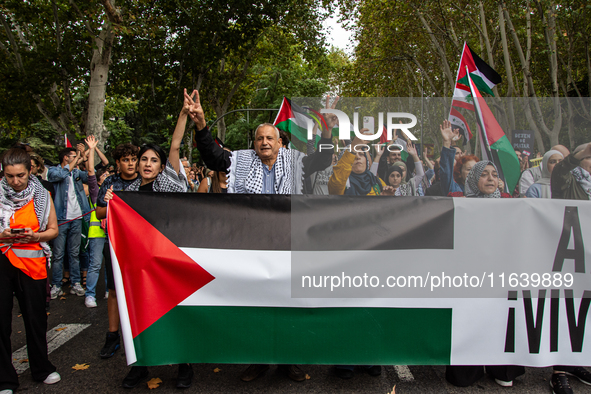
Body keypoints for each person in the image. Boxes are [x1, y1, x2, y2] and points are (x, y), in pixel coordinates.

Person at [102, 89, 192, 389]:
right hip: (139, 267)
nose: (148, 164)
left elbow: (175, 146)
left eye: (154, 160)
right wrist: (112, 206)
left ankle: (184, 365)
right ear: (137, 164)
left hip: (169, 262)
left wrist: (182, 114)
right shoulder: (126, 195)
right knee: (140, 316)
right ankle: (140, 365)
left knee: (176, 313)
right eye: (143, 159)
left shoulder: (170, 183)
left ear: (162, 165)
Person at [190, 89, 334, 195]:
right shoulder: (240, 161)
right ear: (255, 144)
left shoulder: (295, 163)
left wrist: (327, 131)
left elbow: (323, 160)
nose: (264, 142)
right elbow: (212, 156)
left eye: (269, 138)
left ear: (279, 143)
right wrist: (201, 124)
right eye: (260, 138)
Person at [0, 148, 61, 393]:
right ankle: (5, 379)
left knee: (36, 320)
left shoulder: (43, 195)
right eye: (9, 176)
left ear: (31, 171)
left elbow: (53, 230)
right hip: (3, 263)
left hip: (32, 265)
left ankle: (42, 368)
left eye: (20, 176)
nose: (15, 181)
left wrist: (36, 235)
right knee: (1, 323)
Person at [548, 142, 591, 394]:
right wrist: (576, 156)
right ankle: (559, 371)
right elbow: (560, 171)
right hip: (572, 259)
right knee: (567, 312)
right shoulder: (568, 183)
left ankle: (576, 362)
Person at [95, 143, 140, 360]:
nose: (131, 164)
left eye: (133, 159)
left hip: (140, 244)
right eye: (126, 160)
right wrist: (109, 203)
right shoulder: (111, 182)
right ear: (118, 163)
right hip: (114, 242)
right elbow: (98, 213)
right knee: (113, 290)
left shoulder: (145, 180)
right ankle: (113, 337)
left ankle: (141, 335)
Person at [47, 147, 90, 299]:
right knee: (58, 254)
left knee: (74, 253)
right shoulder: (53, 170)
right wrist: (77, 158)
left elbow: (90, 176)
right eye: (73, 156)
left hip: (77, 218)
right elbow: (60, 175)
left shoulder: (77, 172)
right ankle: (57, 285)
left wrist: (86, 155)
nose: (76, 158)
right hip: (60, 218)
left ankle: (76, 283)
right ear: (65, 158)